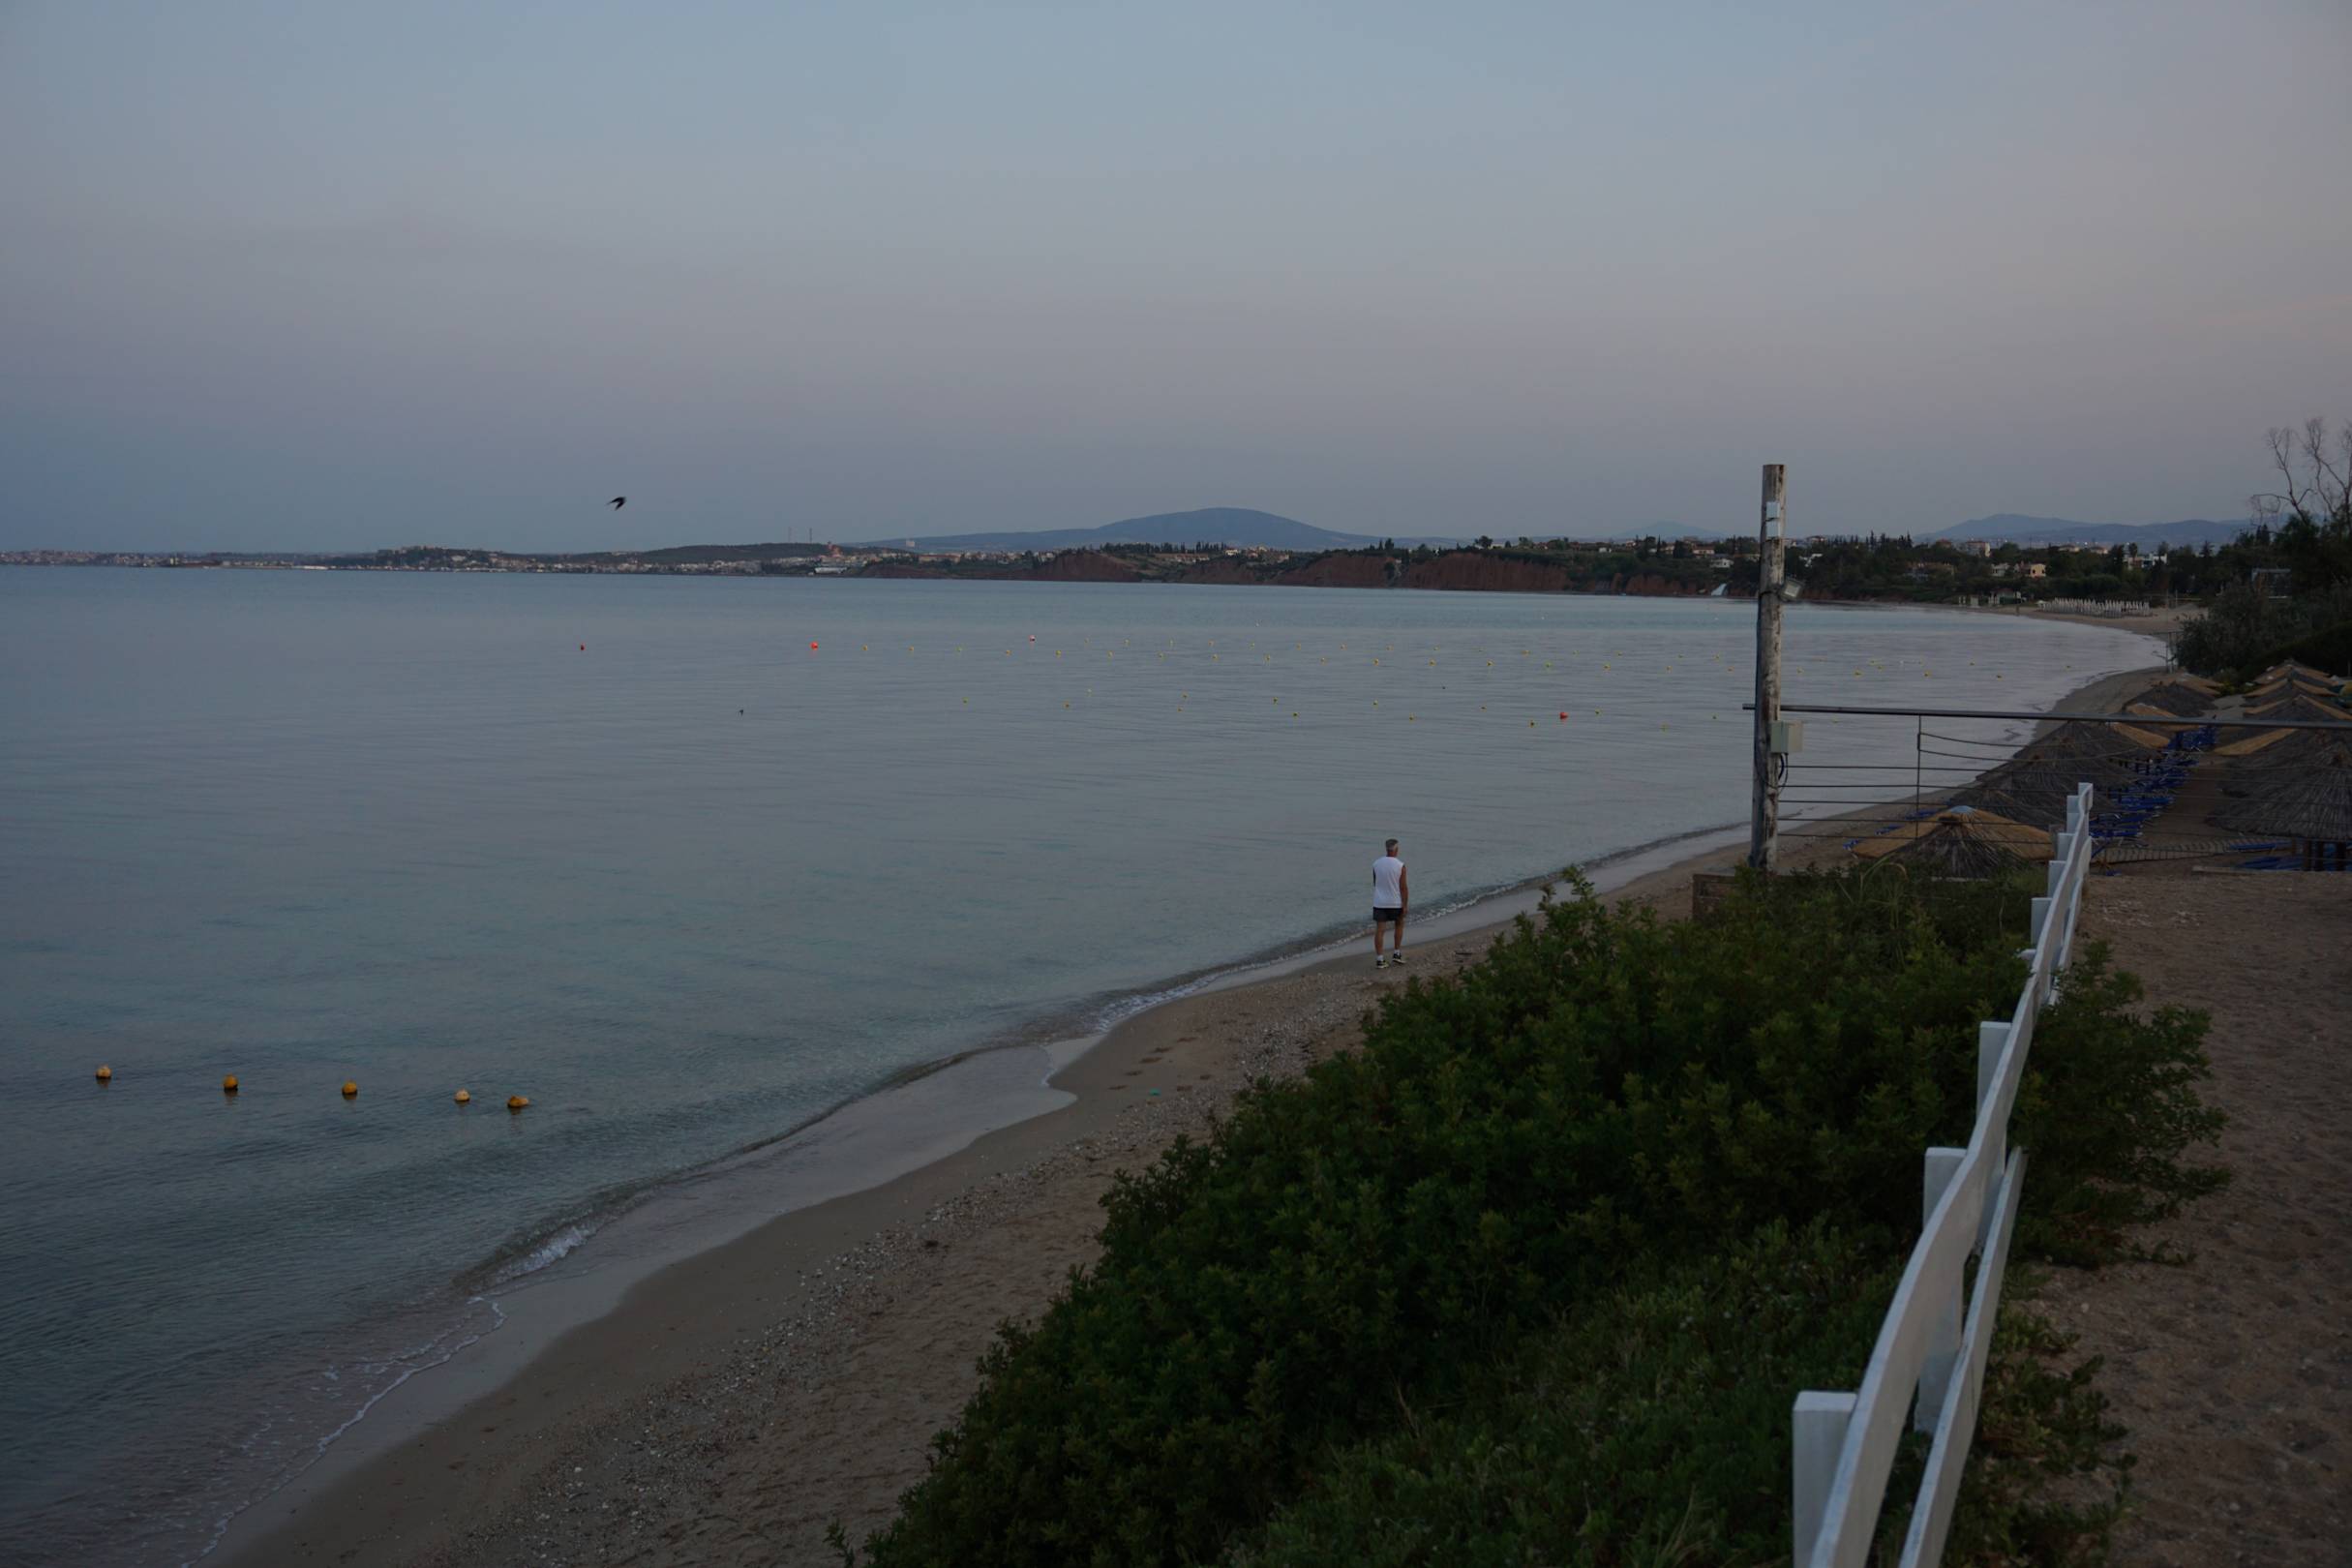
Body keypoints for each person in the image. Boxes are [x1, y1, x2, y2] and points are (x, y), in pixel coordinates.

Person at [1371, 838, 1408, 969]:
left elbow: (1375, 882)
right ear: (1396, 849)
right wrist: (1405, 904)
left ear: (1386, 849)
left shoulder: (1376, 864)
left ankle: (1380, 959)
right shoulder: (1400, 865)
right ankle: (1396, 953)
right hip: (1395, 902)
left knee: (1380, 930)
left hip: (1379, 902)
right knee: (1399, 925)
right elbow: (1403, 887)